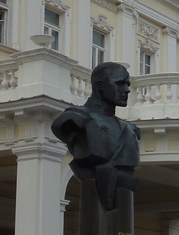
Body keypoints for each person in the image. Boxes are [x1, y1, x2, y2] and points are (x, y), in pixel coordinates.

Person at [50, 62, 140, 211]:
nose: (127, 90)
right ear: (100, 85)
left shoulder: (130, 129)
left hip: (120, 190)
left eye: (127, 84)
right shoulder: (74, 119)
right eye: (120, 83)